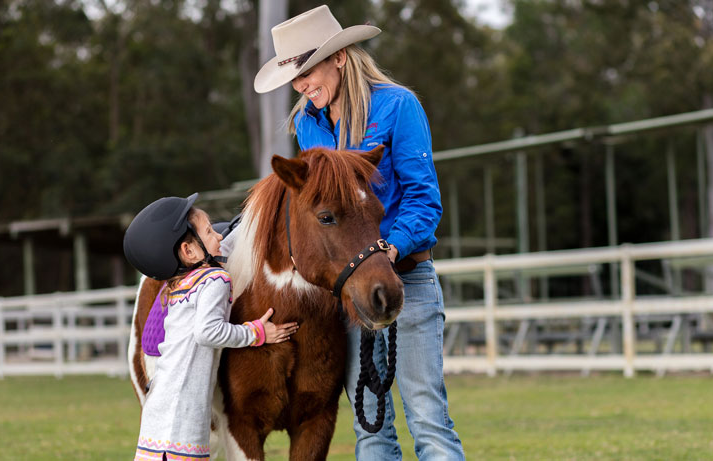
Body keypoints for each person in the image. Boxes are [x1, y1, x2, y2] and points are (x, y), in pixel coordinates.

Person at [254, 5, 465, 460]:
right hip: (348, 295)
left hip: (405, 277)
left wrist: (388, 251)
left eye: (307, 72)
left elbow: (424, 199)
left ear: (340, 58)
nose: (301, 86)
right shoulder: (308, 123)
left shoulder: (397, 105)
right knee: (370, 427)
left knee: (428, 418)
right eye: (294, 78)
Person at [123, 193, 298, 461]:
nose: (218, 236)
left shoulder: (181, 284)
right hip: (184, 416)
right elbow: (208, 332)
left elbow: (229, 245)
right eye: (209, 231)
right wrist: (256, 333)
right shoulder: (214, 279)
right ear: (189, 251)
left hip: (157, 417)